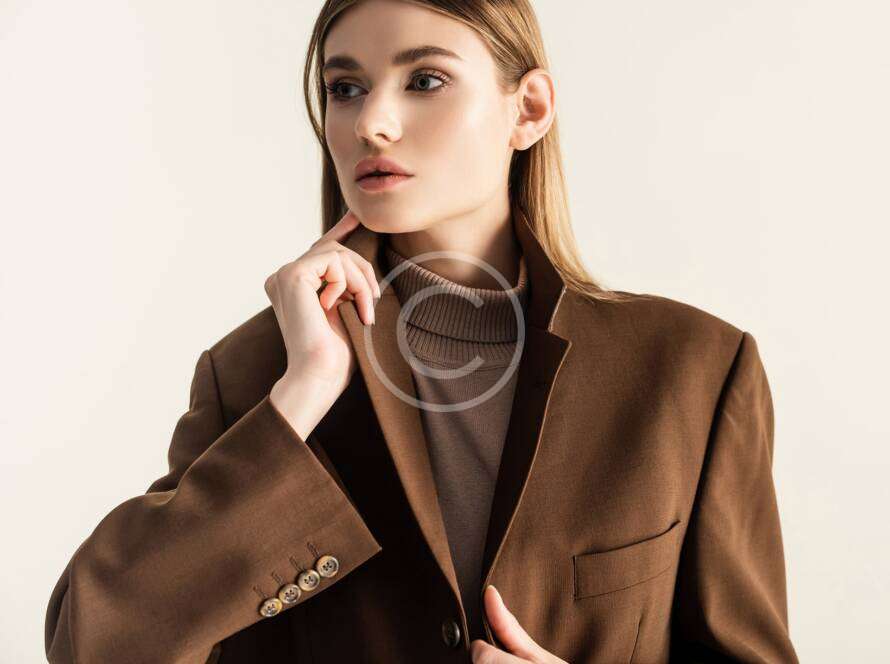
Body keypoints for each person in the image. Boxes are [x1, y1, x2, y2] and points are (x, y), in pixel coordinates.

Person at [44, 1, 799, 662]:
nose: (371, 122)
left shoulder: (693, 369)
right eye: (344, 88)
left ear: (529, 109)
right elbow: (93, 646)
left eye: (425, 80)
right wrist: (302, 395)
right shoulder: (256, 373)